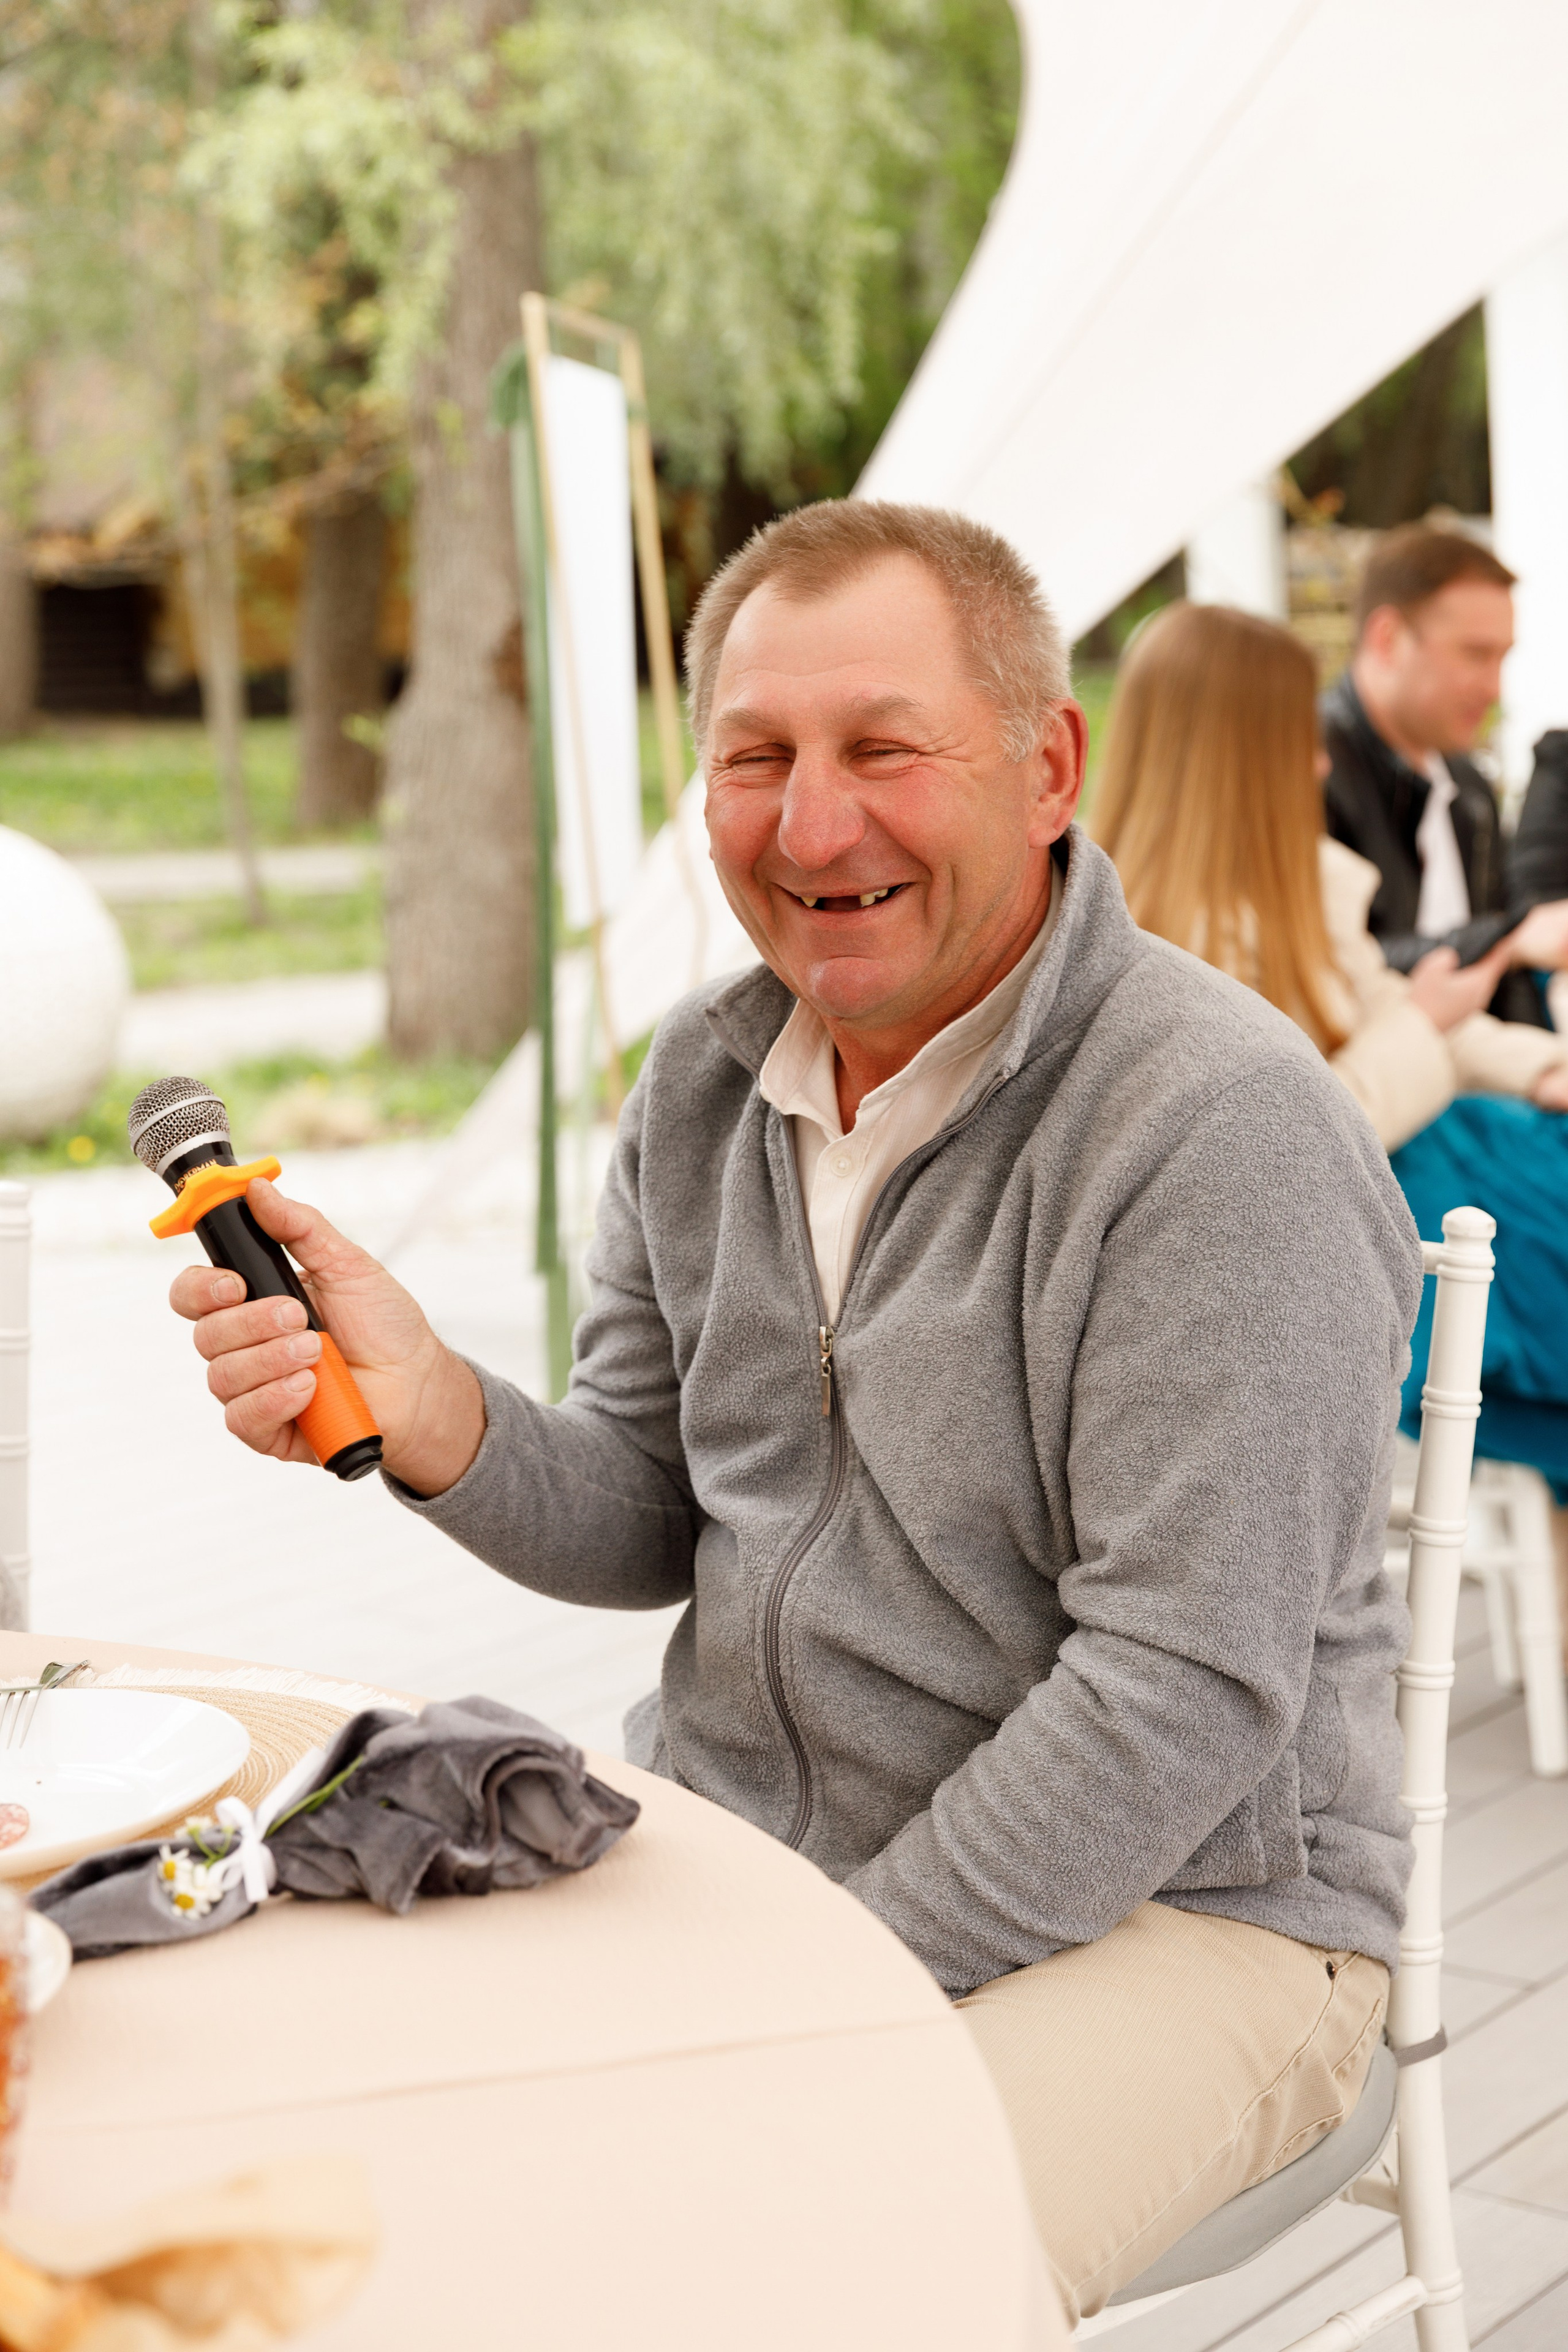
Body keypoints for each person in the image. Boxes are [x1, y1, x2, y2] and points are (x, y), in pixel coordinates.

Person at [171, 502, 1418, 2324]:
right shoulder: (697, 1083)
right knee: (336, 2147)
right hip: (766, 1859)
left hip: (1204, 1914)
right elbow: (647, 1510)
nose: (810, 825)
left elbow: (1180, 1695)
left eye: (880, 750)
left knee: (791, 2263)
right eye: (754, 758)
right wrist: (431, 1407)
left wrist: (818, 1972)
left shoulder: (1212, 1128)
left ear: (1046, 764)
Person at [1093, 594, 1568, 1521]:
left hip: (1409, 1190)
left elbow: (1403, 1012)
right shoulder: (1165, 955)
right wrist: (1429, 1029)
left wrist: (1541, 1069)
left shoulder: (1294, 889)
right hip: (1341, 1237)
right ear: (1238, 756)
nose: (1319, 762)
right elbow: (1274, 1138)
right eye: (1295, 741)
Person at [1321, 523, 1568, 1024]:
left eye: (1502, 657)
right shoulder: (1308, 770)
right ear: (1387, 639)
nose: (1495, 688)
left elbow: (1505, 980)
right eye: (1475, 654)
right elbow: (1331, 969)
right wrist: (1509, 940)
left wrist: (1543, 1065)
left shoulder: (1469, 787)